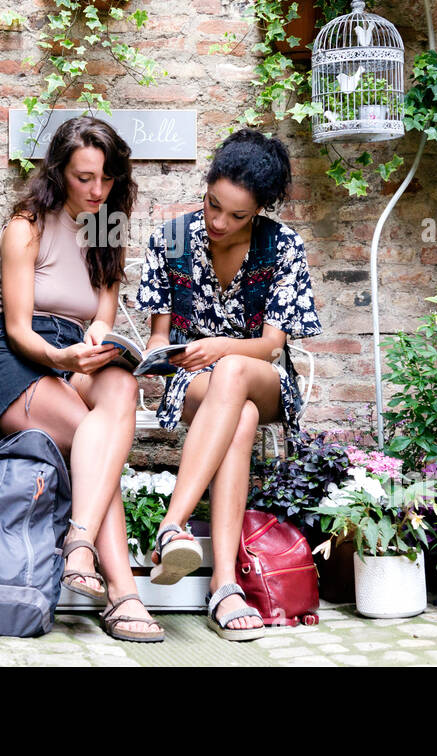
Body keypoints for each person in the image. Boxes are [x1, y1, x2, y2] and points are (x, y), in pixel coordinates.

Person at [0, 115, 163, 642]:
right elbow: (16, 329)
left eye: (107, 178)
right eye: (84, 178)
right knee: (94, 439)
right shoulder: (26, 226)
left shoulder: (104, 223)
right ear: (58, 173)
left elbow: (103, 310)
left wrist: (97, 341)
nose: (98, 190)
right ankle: (122, 593)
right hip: (13, 358)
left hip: (75, 352)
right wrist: (64, 359)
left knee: (121, 386)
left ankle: (81, 542)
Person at [134, 129, 322, 640]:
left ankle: (172, 525)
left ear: (258, 212)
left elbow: (269, 346)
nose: (219, 222)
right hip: (192, 381)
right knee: (236, 416)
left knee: (235, 375)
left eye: (236, 216)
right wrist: (161, 356)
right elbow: (159, 341)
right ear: (208, 187)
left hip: (262, 376)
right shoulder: (172, 237)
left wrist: (220, 347)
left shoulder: (282, 246)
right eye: (213, 205)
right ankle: (223, 586)